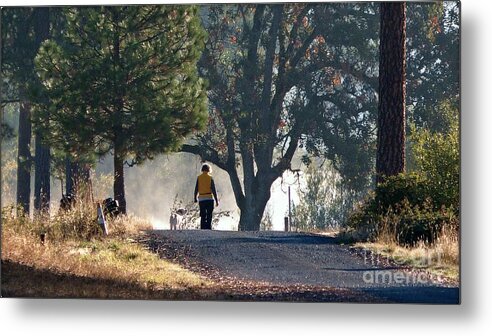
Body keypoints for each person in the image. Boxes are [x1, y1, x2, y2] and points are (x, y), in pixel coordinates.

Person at [194, 164, 219, 230]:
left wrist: (195, 197)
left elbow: (196, 188)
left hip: (201, 199)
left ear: (202, 169)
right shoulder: (210, 178)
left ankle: (202, 228)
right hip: (209, 198)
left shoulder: (199, 177)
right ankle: (208, 227)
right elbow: (214, 190)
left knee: (203, 214)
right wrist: (216, 200)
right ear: (209, 169)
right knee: (209, 214)